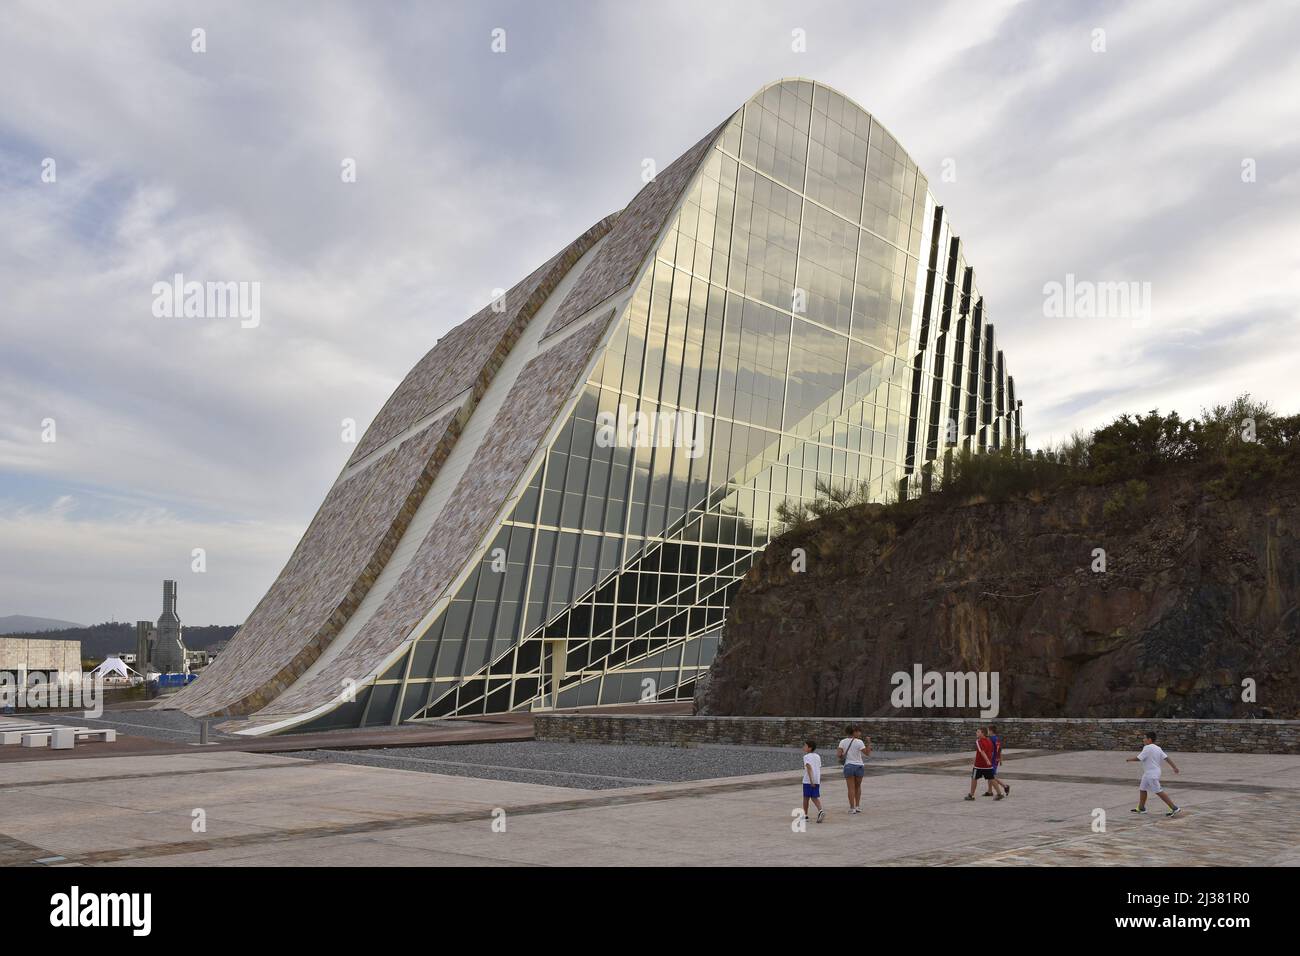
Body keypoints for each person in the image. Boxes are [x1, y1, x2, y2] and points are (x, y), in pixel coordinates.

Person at [1127, 732, 1181, 816]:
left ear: (1149, 739)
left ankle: (1174, 808)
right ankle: (1141, 808)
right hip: (1150, 772)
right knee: (1142, 788)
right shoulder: (1158, 748)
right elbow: (1166, 758)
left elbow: (1139, 758)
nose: (1143, 739)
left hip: (1151, 774)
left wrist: (1129, 759)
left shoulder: (1147, 747)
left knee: (1158, 791)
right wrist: (1174, 767)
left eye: (1145, 738)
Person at [837, 725, 872, 814]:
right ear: (854, 732)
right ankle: (857, 806)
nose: (860, 733)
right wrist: (868, 742)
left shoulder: (842, 741)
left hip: (848, 766)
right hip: (859, 766)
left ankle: (852, 808)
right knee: (858, 787)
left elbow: (839, 754)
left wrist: (843, 755)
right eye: (858, 731)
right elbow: (867, 753)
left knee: (850, 788)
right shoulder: (859, 742)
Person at [965, 726, 1006, 800]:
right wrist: (990, 760)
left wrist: (986, 759)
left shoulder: (978, 741)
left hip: (979, 765)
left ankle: (971, 795)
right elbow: (993, 751)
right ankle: (999, 794)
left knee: (974, 778)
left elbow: (982, 751)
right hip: (988, 766)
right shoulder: (989, 741)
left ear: (982, 733)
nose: (976, 733)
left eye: (978, 732)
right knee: (992, 778)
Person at [802, 740, 826, 823]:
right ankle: (820, 811)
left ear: (810, 748)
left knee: (806, 797)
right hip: (817, 779)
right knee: (814, 797)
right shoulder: (817, 756)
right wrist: (815, 780)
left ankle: (805, 815)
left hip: (808, 780)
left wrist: (811, 781)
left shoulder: (806, 757)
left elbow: (809, 768)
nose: (803, 747)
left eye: (805, 746)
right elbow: (818, 767)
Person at [984, 724, 1010, 798]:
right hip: (996, 759)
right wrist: (1000, 759)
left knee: (991, 775)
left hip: (992, 759)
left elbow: (990, 750)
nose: (987, 732)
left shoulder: (991, 739)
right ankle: (989, 791)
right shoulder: (997, 738)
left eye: (988, 730)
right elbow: (999, 750)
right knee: (990, 775)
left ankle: (1005, 786)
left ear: (991, 731)